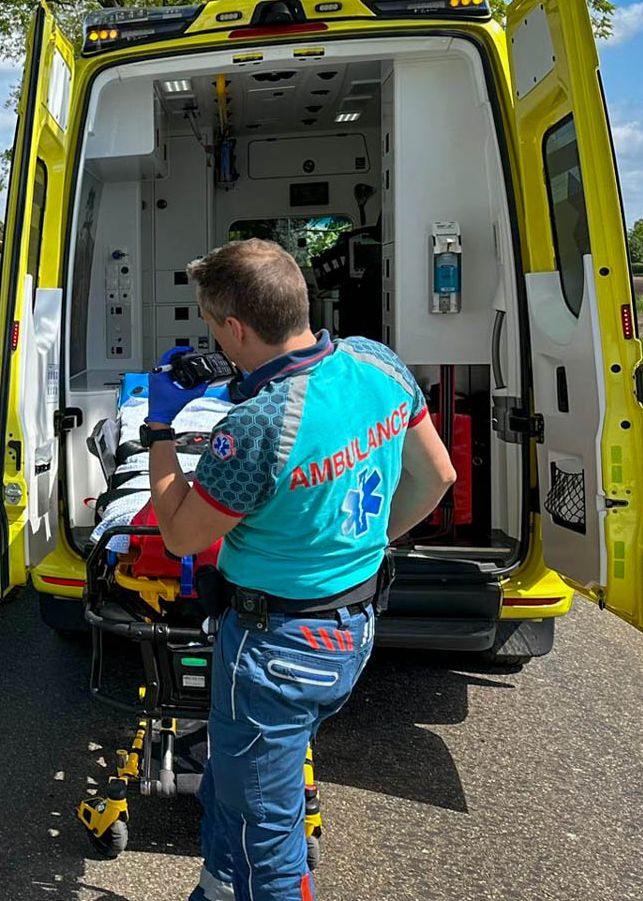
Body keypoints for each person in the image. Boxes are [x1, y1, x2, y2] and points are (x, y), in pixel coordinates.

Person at [141, 239, 456, 901]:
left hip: (272, 651)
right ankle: (217, 888)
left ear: (235, 328)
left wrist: (160, 429)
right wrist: (359, 546)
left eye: (212, 325)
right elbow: (438, 476)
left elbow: (180, 534)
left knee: (270, 848)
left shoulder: (256, 428)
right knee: (234, 788)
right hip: (351, 626)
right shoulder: (378, 364)